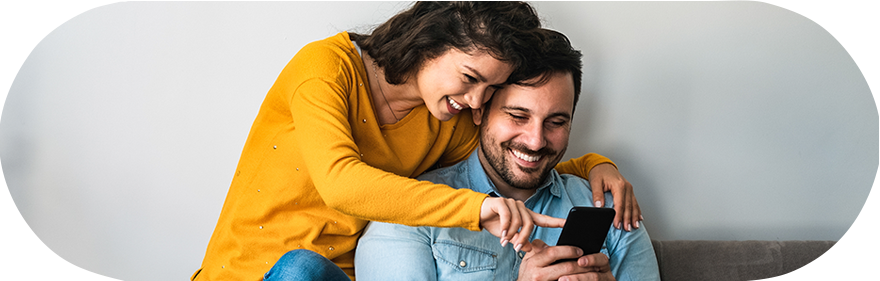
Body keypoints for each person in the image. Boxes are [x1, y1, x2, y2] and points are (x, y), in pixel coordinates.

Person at [193, 0, 643, 280]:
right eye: (470, 79)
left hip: (340, 279)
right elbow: (342, 183)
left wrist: (596, 166)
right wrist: (477, 209)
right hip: (255, 273)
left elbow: (519, 157)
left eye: (488, 91)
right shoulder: (326, 69)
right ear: (430, 42)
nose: (473, 101)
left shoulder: (446, 118)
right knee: (300, 268)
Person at [354, 30, 660, 281]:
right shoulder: (410, 216)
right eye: (517, 116)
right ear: (479, 112)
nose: (536, 141)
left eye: (556, 122)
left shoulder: (613, 209)